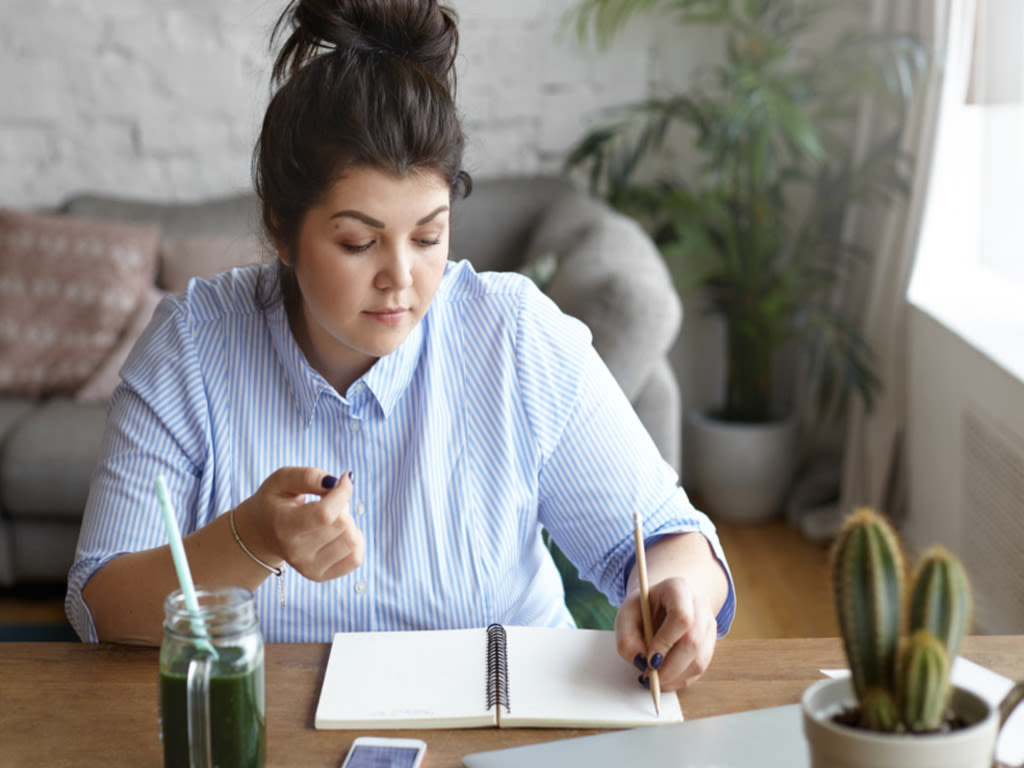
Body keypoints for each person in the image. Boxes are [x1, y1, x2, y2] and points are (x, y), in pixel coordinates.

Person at [66, 0, 735, 693]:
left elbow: (671, 539)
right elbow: (100, 603)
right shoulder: (193, 348)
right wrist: (252, 540)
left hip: (507, 725)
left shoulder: (515, 336)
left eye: (428, 237)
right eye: (358, 242)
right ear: (280, 230)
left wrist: (682, 594)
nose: (402, 279)